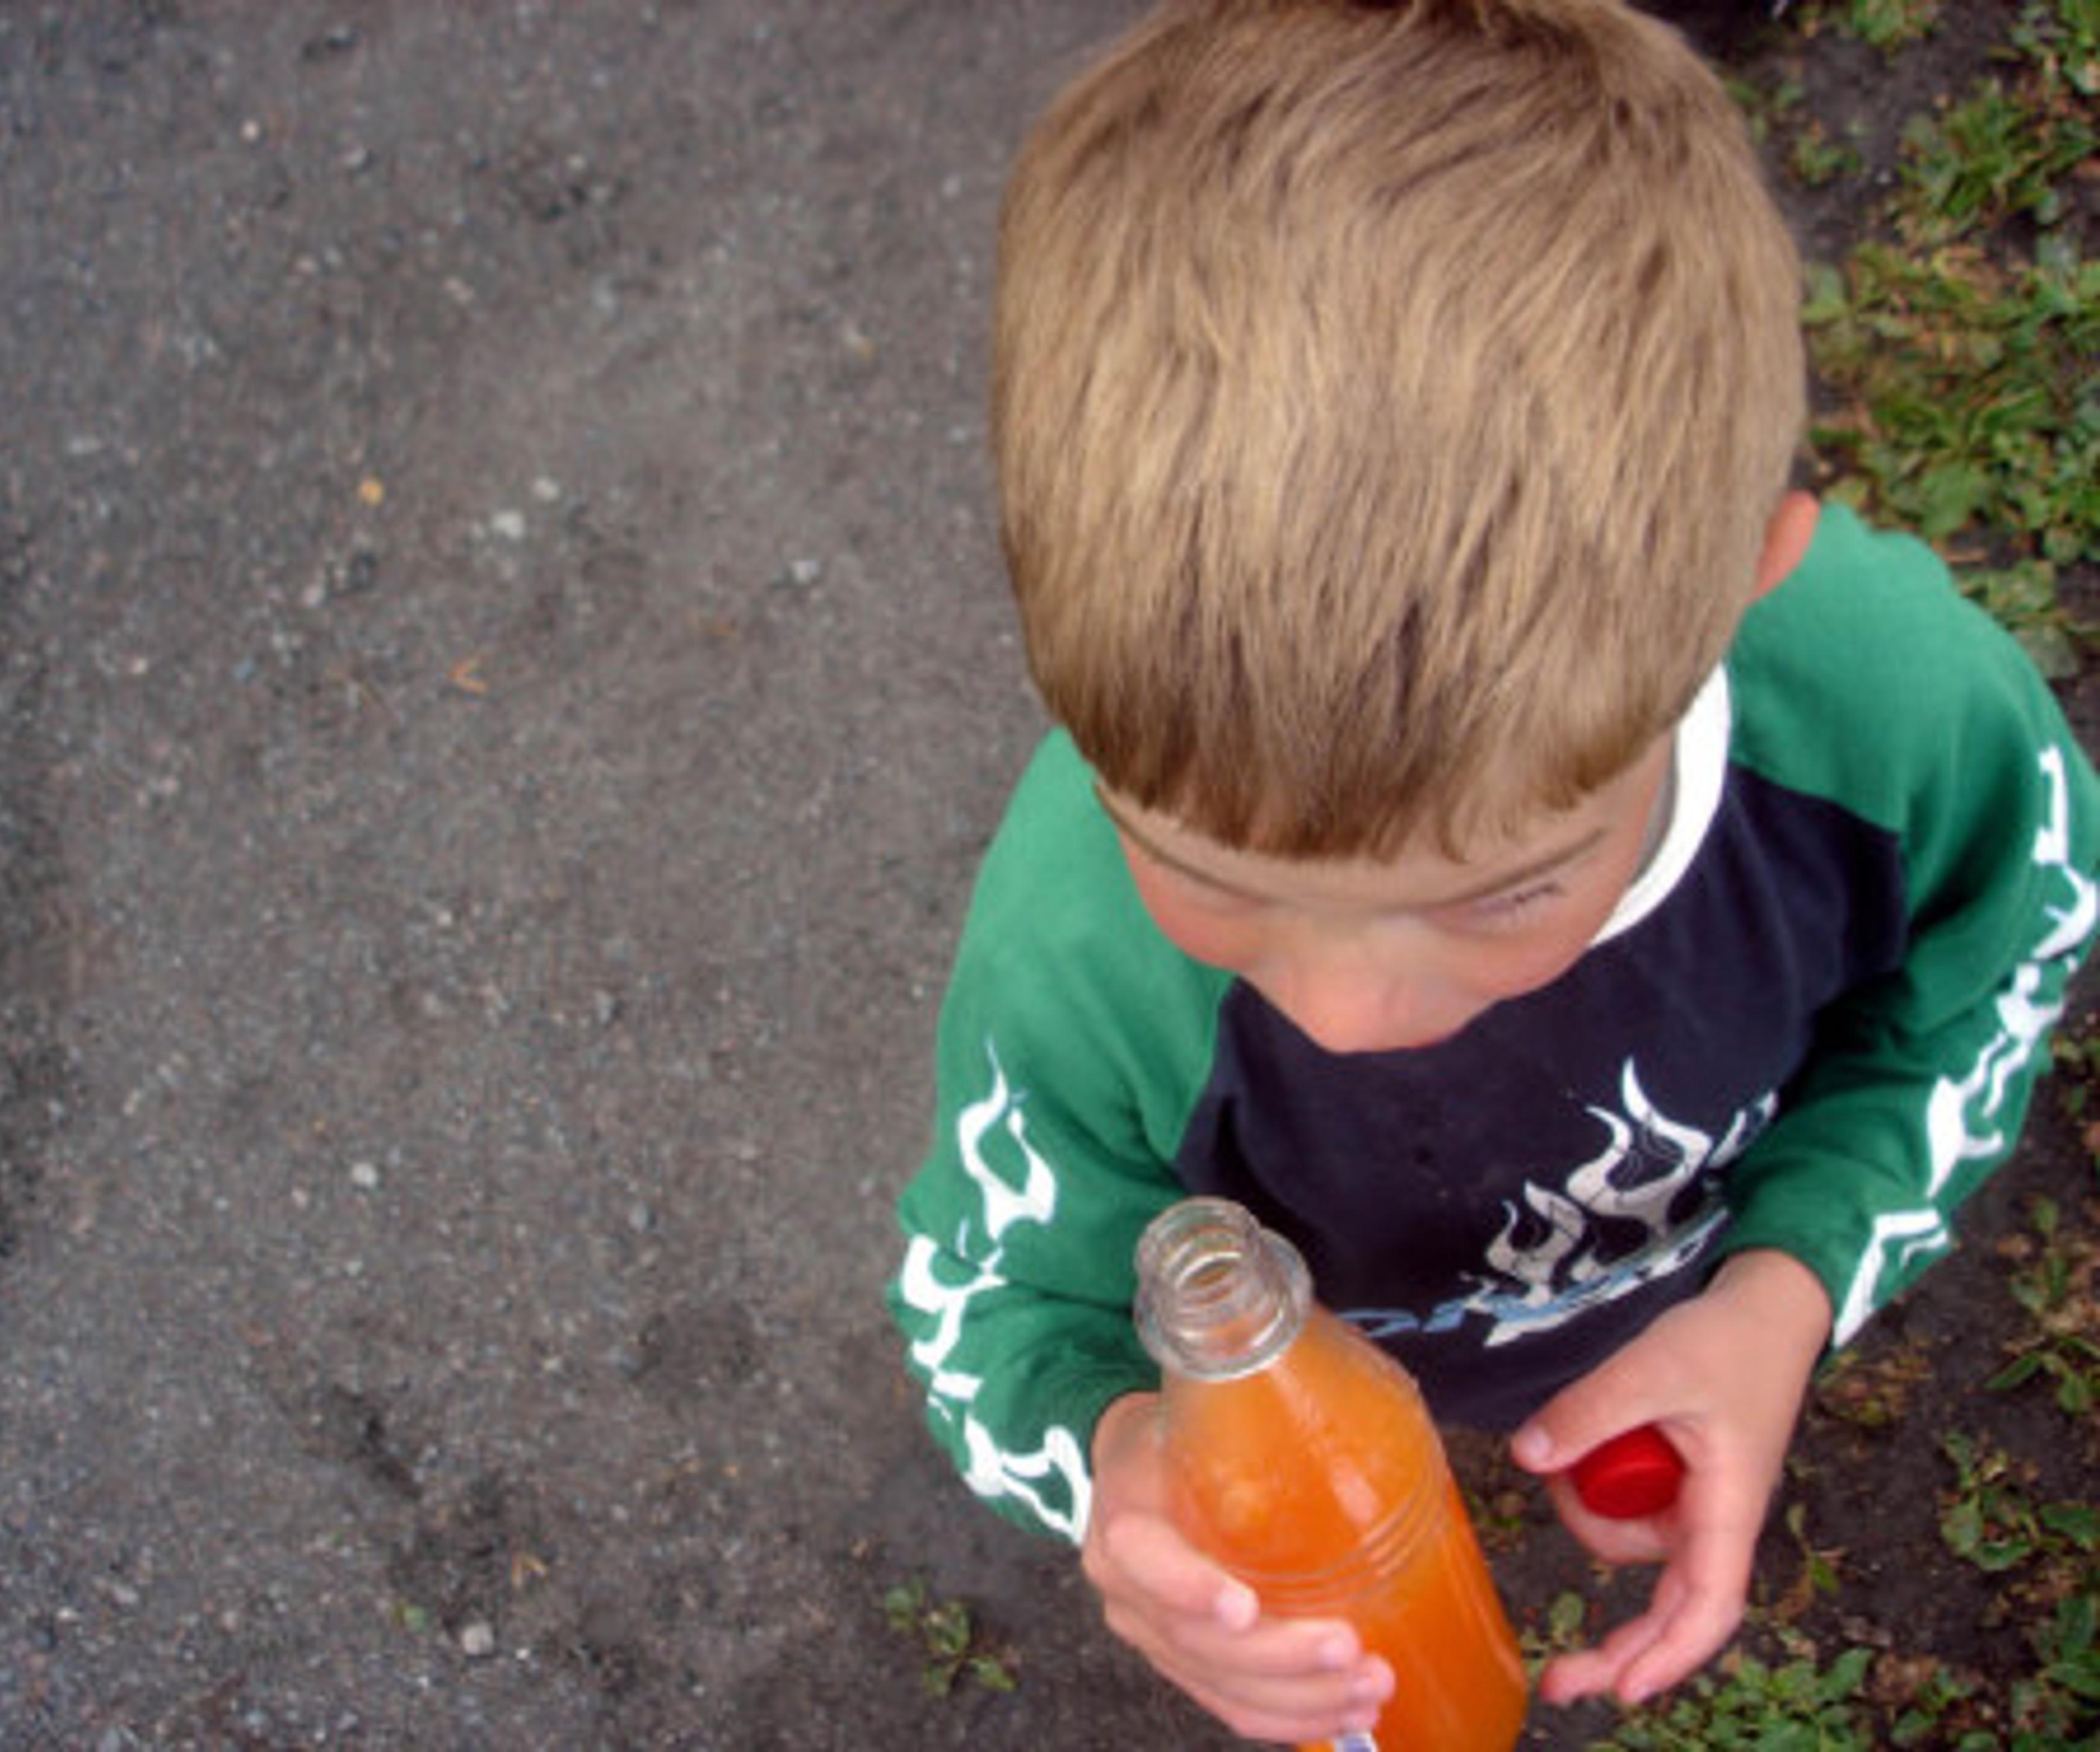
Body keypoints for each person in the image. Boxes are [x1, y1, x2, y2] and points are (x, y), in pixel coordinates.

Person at [886, 0, 2100, 1742]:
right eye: (1201, 868)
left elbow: (1999, 957)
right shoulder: (1075, 959)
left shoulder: (1892, 723)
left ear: (1742, 585)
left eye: (1505, 888)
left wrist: (1784, 1285)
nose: (1351, 1013)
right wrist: (1125, 1463)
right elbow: (990, 1299)